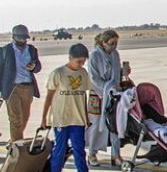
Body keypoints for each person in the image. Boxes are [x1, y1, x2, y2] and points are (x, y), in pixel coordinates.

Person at [41, 43, 92, 172]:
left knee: (79, 150)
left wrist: (86, 117)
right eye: (78, 61)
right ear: (70, 58)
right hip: (61, 119)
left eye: (83, 62)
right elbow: (49, 97)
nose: (81, 64)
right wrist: (44, 118)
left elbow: (83, 96)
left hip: (78, 119)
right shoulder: (58, 73)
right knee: (60, 149)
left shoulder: (83, 73)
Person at [0, 24, 42, 142]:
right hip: (12, 88)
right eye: (20, 37)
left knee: (24, 118)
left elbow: (38, 66)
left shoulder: (32, 50)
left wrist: (34, 67)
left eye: (24, 38)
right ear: (13, 37)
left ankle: (14, 141)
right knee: (16, 119)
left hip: (28, 88)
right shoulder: (5, 50)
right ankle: (17, 145)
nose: (23, 40)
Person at [86, 30, 124, 167]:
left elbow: (116, 73)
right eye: (112, 43)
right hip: (98, 94)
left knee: (115, 123)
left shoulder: (115, 54)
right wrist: (105, 89)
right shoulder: (94, 56)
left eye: (116, 43)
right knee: (96, 125)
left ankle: (116, 155)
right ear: (103, 43)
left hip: (113, 94)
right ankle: (92, 153)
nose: (114, 46)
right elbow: (93, 77)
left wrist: (122, 77)